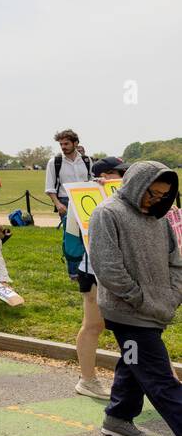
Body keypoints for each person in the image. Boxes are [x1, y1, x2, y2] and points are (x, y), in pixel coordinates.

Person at [88, 161, 182, 436]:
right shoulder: (107, 213)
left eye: (163, 196)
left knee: (133, 362)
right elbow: (108, 267)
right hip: (127, 312)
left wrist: (172, 295)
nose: (156, 200)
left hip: (155, 309)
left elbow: (175, 261)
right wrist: (140, 298)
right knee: (160, 379)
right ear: (136, 184)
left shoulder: (159, 219)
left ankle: (117, 418)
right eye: (152, 193)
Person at [65, 157, 127, 400]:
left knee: (142, 327)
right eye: (117, 173)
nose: (122, 178)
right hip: (92, 270)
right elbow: (73, 230)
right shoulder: (84, 195)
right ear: (104, 174)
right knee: (93, 325)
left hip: (122, 270)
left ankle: (159, 379)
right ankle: (87, 379)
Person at [46, 129, 94, 278]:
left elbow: (92, 180)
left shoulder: (87, 160)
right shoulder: (55, 162)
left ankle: (88, 269)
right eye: (61, 144)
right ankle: (74, 273)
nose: (63, 147)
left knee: (89, 236)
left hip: (85, 201)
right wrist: (58, 204)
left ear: (75, 143)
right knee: (72, 238)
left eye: (66, 143)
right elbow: (49, 187)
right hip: (66, 202)